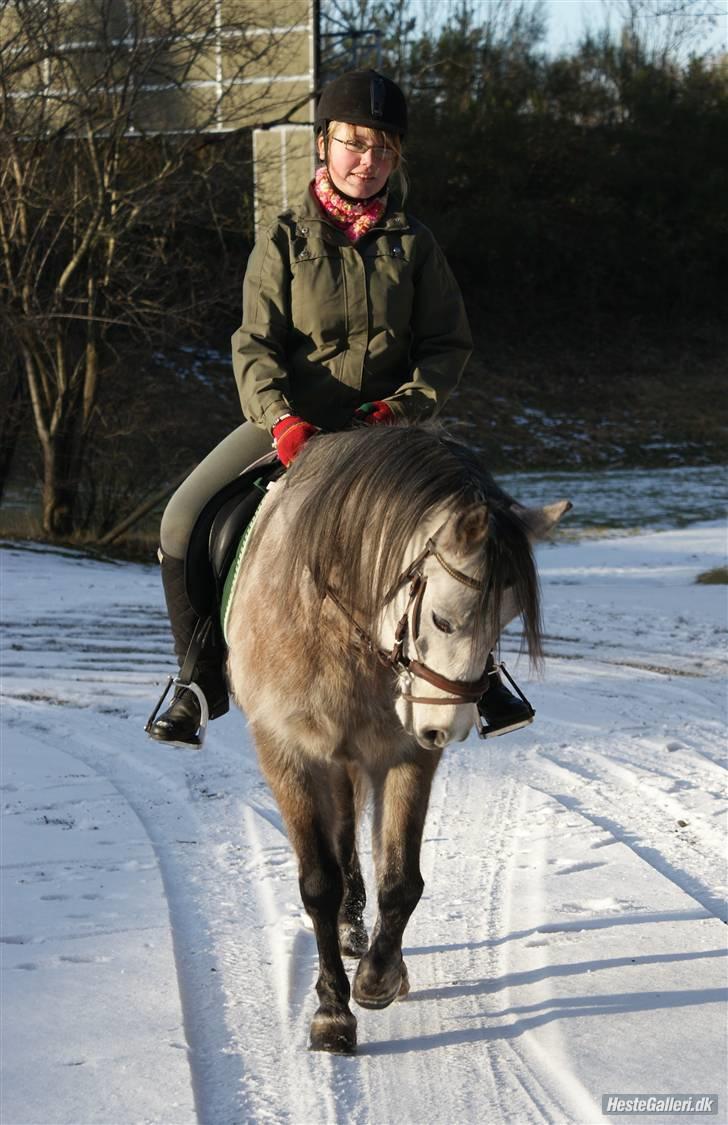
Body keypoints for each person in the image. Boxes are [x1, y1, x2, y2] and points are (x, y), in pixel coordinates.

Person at [147, 68, 533, 747]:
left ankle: (485, 673)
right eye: (355, 143)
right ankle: (198, 678)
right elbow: (255, 343)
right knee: (181, 520)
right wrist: (281, 417)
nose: (368, 161)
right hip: (292, 423)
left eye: (383, 148)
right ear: (324, 143)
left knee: (481, 524)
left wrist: (402, 409)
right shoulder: (283, 239)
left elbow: (447, 345)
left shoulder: (416, 244)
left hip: (392, 435)